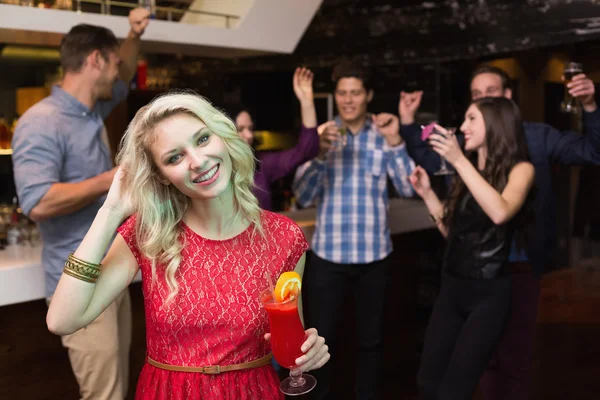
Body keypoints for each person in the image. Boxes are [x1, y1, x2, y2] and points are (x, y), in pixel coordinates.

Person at [45, 92, 330, 399]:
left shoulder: (284, 237)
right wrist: (111, 211)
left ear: (223, 136)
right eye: (174, 157)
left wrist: (308, 352)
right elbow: (63, 320)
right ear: (162, 176)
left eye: (203, 139)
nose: (198, 162)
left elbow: (289, 339)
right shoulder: (147, 235)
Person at [399, 65, 600, 400]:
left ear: (506, 100)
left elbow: (503, 210)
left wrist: (591, 106)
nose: (467, 122)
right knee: (458, 372)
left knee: (511, 360)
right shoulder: (467, 161)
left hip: (513, 269)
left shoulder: (532, 144)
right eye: (475, 97)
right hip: (459, 278)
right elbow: (455, 228)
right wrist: (428, 190)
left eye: (488, 96)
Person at [12, 9, 150, 400]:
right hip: (78, 280)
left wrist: (133, 32)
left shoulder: (90, 111)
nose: (117, 73)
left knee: (116, 389)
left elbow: (120, 81)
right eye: (114, 62)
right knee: (104, 395)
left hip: (109, 271)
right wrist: (114, 180)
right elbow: (37, 201)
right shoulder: (42, 121)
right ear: (95, 61)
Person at [292, 60, 416, 400]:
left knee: (371, 341)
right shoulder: (321, 136)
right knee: (321, 340)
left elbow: (408, 189)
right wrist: (319, 156)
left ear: (368, 96)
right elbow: (301, 196)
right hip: (328, 258)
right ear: (336, 96)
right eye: (342, 93)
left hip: (375, 257)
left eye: (356, 93)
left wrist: (396, 143)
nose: (348, 100)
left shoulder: (383, 135)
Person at [411, 97, 535, 399]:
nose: (463, 127)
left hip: (488, 295)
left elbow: (500, 212)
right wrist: (427, 195)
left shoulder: (521, 169)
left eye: (471, 119)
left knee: (455, 390)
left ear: (494, 124)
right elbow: (454, 234)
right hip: (452, 288)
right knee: (427, 383)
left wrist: (458, 161)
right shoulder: (466, 173)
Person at [233, 67, 320, 210]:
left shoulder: (261, 165)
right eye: (240, 129)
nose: (248, 135)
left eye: (251, 129)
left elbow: (306, 151)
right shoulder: (212, 170)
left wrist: (306, 102)